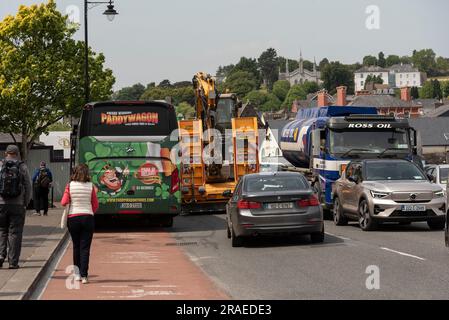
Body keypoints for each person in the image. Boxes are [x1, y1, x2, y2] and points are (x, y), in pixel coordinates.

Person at [61, 164, 98, 284]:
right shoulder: (91, 186)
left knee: (76, 246)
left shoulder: (69, 186)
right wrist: (89, 210)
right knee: (85, 248)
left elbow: (64, 202)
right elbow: (95, 205)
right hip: (87, 217)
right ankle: (84, 276)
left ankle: (76, 274)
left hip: (73, 218)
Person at [0, 145, 32, 269]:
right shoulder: (22, 166)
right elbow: (28, 185)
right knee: (15, 233)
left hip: (1, 204)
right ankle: (13, 262)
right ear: (17, 154)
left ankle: (0, 256)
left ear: (6, 153)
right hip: (17, 205)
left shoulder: (1, 165)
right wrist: (26, 202)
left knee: (2, 230)